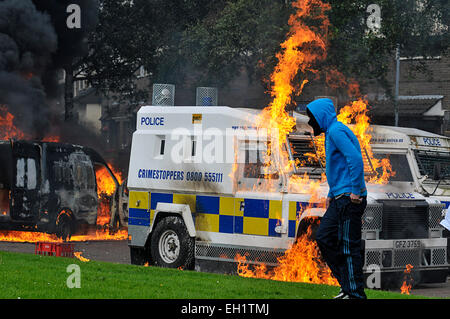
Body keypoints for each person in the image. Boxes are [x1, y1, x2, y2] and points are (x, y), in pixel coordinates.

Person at [305, 98, 367, 299]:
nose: (309, 122)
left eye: (311, 118)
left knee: (349, 246)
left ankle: (355, 294)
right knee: (324, 238)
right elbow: (338, 169)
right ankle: (347, 286)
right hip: (340, 197)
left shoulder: (336, 131)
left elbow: (355, 159)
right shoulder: (331, 132)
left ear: (321, 117)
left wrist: (356, 190)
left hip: (350, 198)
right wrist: (331, 195)